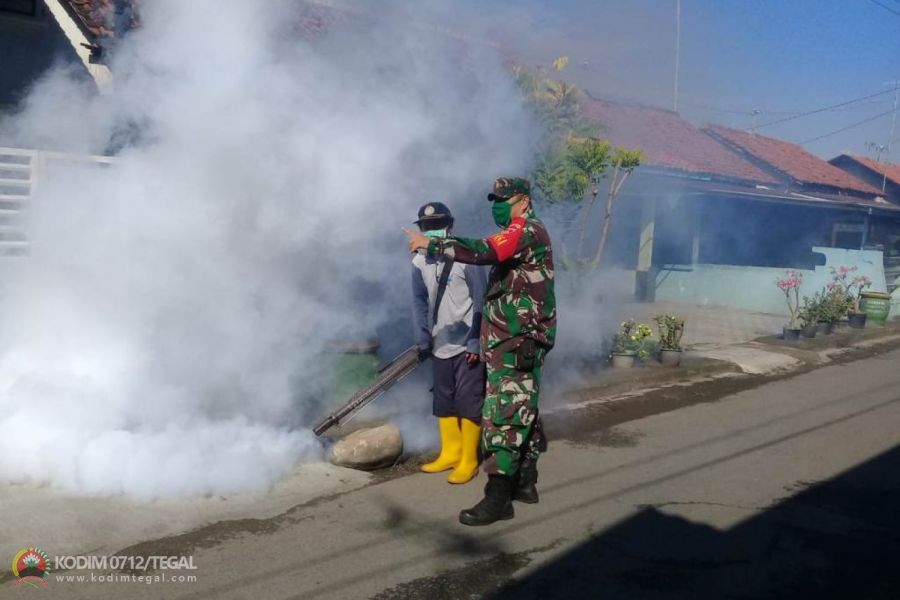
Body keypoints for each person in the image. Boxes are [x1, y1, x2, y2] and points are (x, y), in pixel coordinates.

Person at [403, 177, 556, 526]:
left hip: (516, 339)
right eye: (494, 199)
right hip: (516, 337)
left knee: (501, 414)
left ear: (524, 201)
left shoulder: (525, 230)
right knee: (523, 410)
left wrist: (433, 245)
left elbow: (485, 250)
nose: (497, 205)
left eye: (504, 199)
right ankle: (525, 483)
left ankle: (498, 498)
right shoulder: (526, 232)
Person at [411, 201, 487, 485]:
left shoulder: (467, 258)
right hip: (439, 343)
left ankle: (469, 459)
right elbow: (419, 302)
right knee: (443, 400)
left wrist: (475, 341)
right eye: (427, 227)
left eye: (437, 225)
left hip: (467, 344)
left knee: (469, 402)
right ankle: (451, 452)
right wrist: (422, 336)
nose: (432, 231)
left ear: (450, 226)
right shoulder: (419, 262)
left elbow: (481, 300)